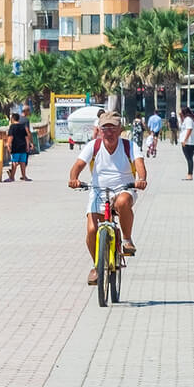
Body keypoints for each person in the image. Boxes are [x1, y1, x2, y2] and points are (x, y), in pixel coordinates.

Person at [65, 110, 146, 284]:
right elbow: (78, 165)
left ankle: (126, 239)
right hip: (98, 190)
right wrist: (74, 179)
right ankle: (97, 265)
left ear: (119, 129)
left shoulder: (129, 146)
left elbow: (139, 163)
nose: (108, 133)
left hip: (124, 187)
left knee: (123, 202)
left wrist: (141, 179)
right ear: (100, 130)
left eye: (112, 128)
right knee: (92, 230)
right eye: (105, 129)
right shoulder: (93, 146)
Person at [5, 109, 32, 182]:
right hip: (23, 146)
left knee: (14, 162)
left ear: (12, 119)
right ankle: (24, 176)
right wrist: (27, 146)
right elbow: (26, 137)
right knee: (23, 162)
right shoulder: (23, 126)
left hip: (16, 146)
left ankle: (12, 177)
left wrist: (8, 145)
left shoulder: (12, 127)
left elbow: (11, 137)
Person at [177, 107, 194, 179]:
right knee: (189, 158)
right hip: (189, 141)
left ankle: (190, 175)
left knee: (189, 158)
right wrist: (180, 116)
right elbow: (183, 125)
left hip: (188, 142)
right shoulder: (188, 119)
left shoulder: (188, 119)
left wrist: (185, 140)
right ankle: (190, 174)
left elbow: (189, 129)